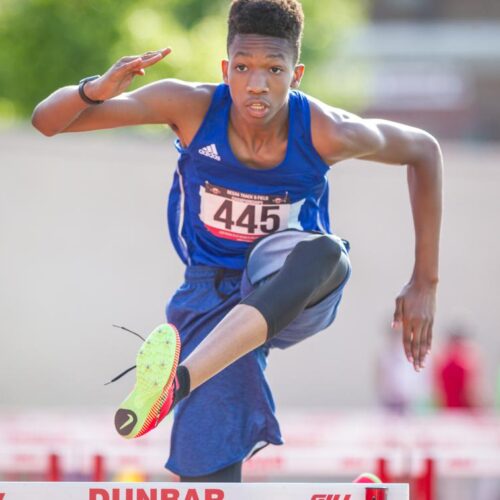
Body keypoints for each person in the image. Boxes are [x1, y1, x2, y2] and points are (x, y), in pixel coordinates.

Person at [32, 0, 442, 483]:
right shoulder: (189, 107)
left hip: (291, 287)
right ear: (226, 69)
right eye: (243, 68)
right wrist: (96, 89)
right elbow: (47, 121)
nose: (257, 84)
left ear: (297, 74)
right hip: (208, 297)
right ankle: (184, 384)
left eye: (274, 69)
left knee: (328, 252)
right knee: (211, 472)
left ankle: (177, 382)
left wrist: (425, 281)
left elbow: (424, 151)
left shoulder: (327, 131)